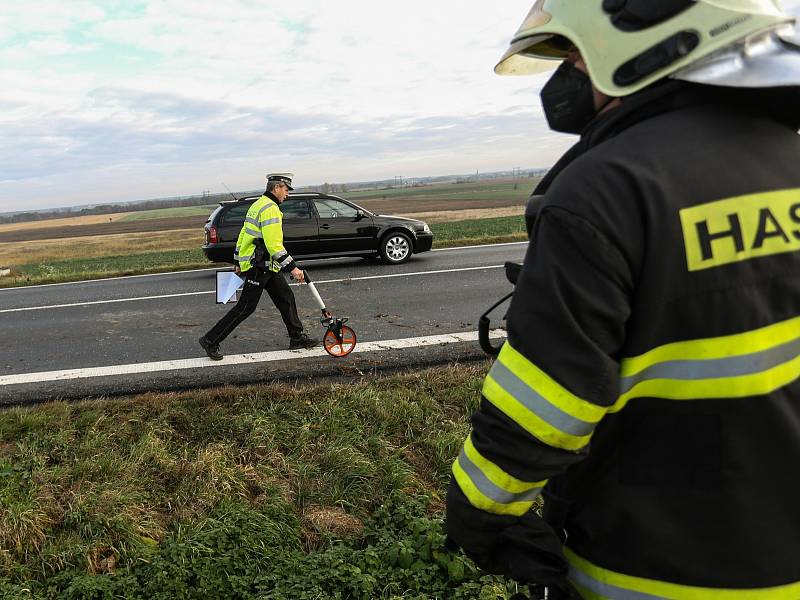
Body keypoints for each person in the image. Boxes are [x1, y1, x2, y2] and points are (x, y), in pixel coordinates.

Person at [445, 1, 800, 598]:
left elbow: (547, 403)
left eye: (578, 53)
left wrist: (482, 514)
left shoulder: (604, 189)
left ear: (648, 39)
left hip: (654, 566)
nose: (571, 73)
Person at [199, 173, 317, 359]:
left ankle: (296, 337)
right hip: (259, 266)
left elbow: (244, 234)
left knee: (285, 298)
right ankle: (210, 340)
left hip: (267, 265)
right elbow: (274, 245)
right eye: (286, 190)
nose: (287, 195)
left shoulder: (258, 204)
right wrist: (293, 268)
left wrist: (238, 260)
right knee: (246, 307)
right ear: (277, 187)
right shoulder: (270, 209)